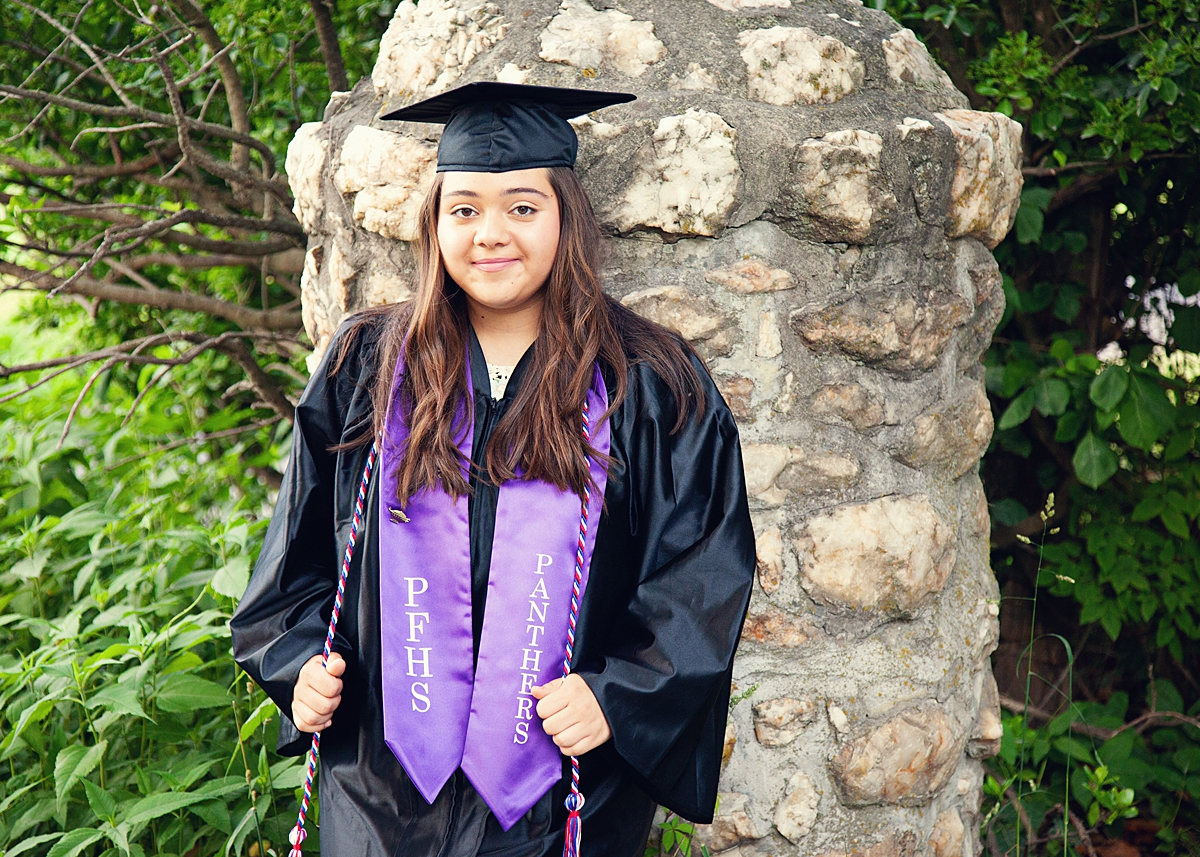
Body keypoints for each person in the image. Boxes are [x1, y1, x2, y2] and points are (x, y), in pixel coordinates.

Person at [230, 82, 756, 857]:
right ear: (435, 224)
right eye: (465, 209)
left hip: (556, 788)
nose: (489, 234)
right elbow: (293, 568)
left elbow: (700, 573)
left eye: (522, 207)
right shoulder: (367, 367)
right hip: (380, 788)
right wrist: (302, 662)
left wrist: (620, 694)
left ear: (565, 218)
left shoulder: (649, 382)